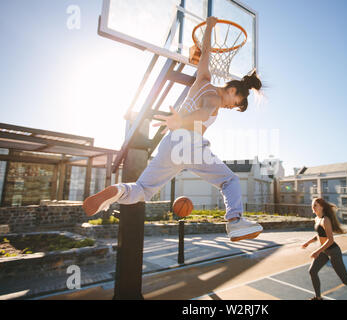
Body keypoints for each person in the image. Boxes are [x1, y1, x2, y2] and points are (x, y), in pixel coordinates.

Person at [82, 16, 263, 242]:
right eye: (234, 103)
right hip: (189, 142)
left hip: (171, 143)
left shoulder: (203, 78)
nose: (229, 106)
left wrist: (209, 27)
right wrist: (183, 121)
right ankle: (235, 222)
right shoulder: (214, 100)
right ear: (234, 91)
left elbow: (206, 52)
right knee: (229, 181)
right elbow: (204, 113)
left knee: (142, 189)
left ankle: (117, 191)